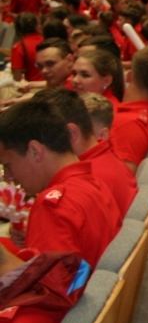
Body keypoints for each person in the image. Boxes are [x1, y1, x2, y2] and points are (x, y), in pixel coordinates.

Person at [0, 97, 122, 269]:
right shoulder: (94, 182)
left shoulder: (53, 208)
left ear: (35, 151)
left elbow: (46, 292)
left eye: (8, 165)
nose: (7, 176)